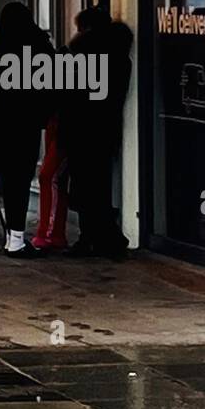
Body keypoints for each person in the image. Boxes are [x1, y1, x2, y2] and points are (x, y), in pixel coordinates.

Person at [0, 1, 54, 258]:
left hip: (4, 120)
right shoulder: (38, 43)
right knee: (22, 179)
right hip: (28, 122)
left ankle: (13, 238)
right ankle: (17, 238)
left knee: (10, 179)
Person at [61, 14, 133, 259]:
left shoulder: (85, 58)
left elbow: (71, 94)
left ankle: (101, 238)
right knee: (98, 187)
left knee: (85, 188)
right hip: (106, 129)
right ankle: (101, 237)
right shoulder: (121, 59)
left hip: (82, 129)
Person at [33, 7, 104, 251]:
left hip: (71, 127)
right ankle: (54, 232)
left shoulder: (81, 59)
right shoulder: (87, 59)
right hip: (74, 127)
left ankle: (51, 232)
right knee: (59, 178)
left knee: (51, 177)